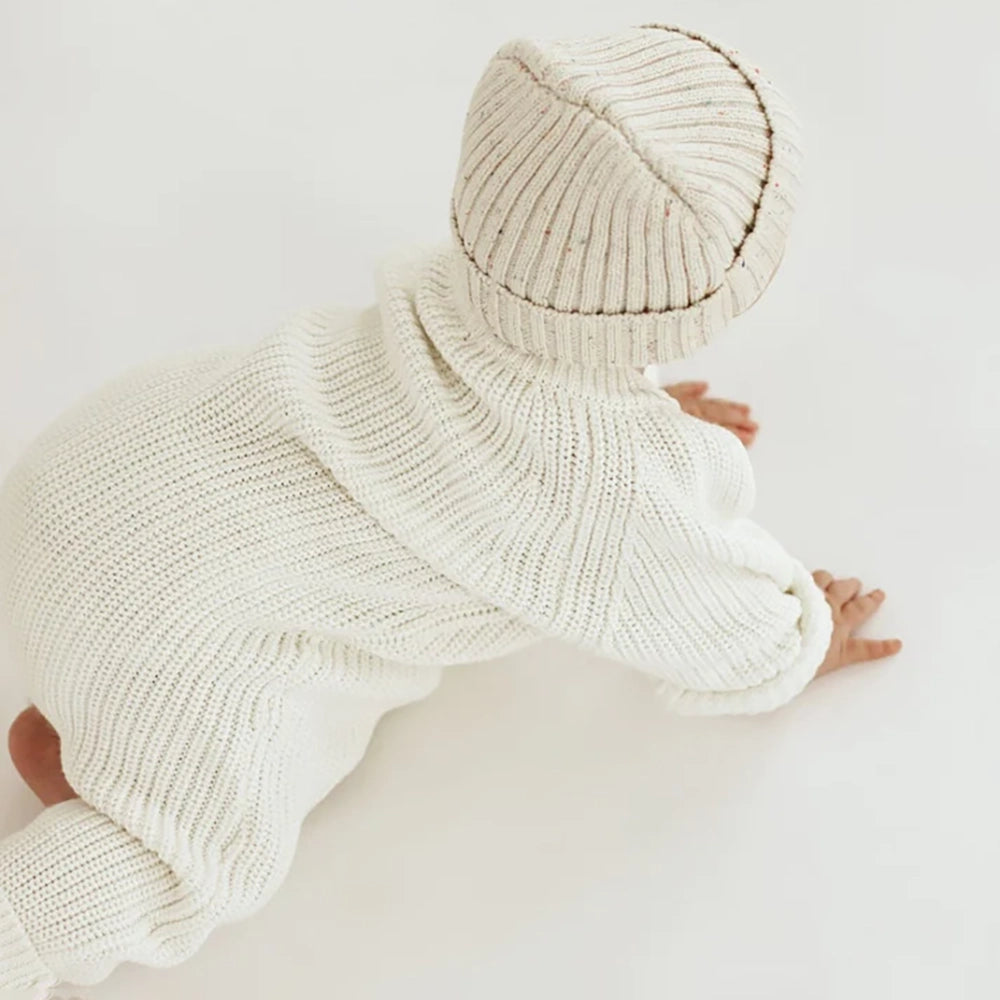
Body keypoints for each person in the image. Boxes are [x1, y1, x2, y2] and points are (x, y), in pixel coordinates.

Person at [0, 22, 902, 996]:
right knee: (202, 852)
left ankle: (101, 735)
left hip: (93, 474)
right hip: (179, 636)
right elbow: (704, 612)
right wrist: (798, 637)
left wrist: (624, 407)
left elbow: (520, 383)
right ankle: (112, 833)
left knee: (160, 642)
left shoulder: (460, 287)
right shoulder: (600, 496)